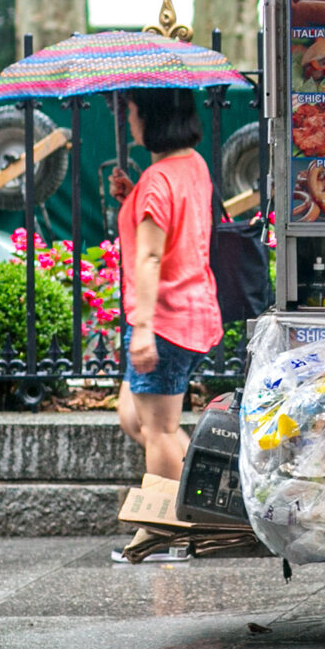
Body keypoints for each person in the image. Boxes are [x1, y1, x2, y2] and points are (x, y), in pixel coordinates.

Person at [105, 88, 221, 491]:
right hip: (192, 312)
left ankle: (161, 532)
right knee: (134, 418)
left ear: (152, 118)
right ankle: (213, 500)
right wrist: (133, 195)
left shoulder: (158, 181)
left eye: (133, 111)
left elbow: (152, 257)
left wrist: (142, 328)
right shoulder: (192, 164)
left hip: (164, 321)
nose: (128, 119)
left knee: (160, 430)